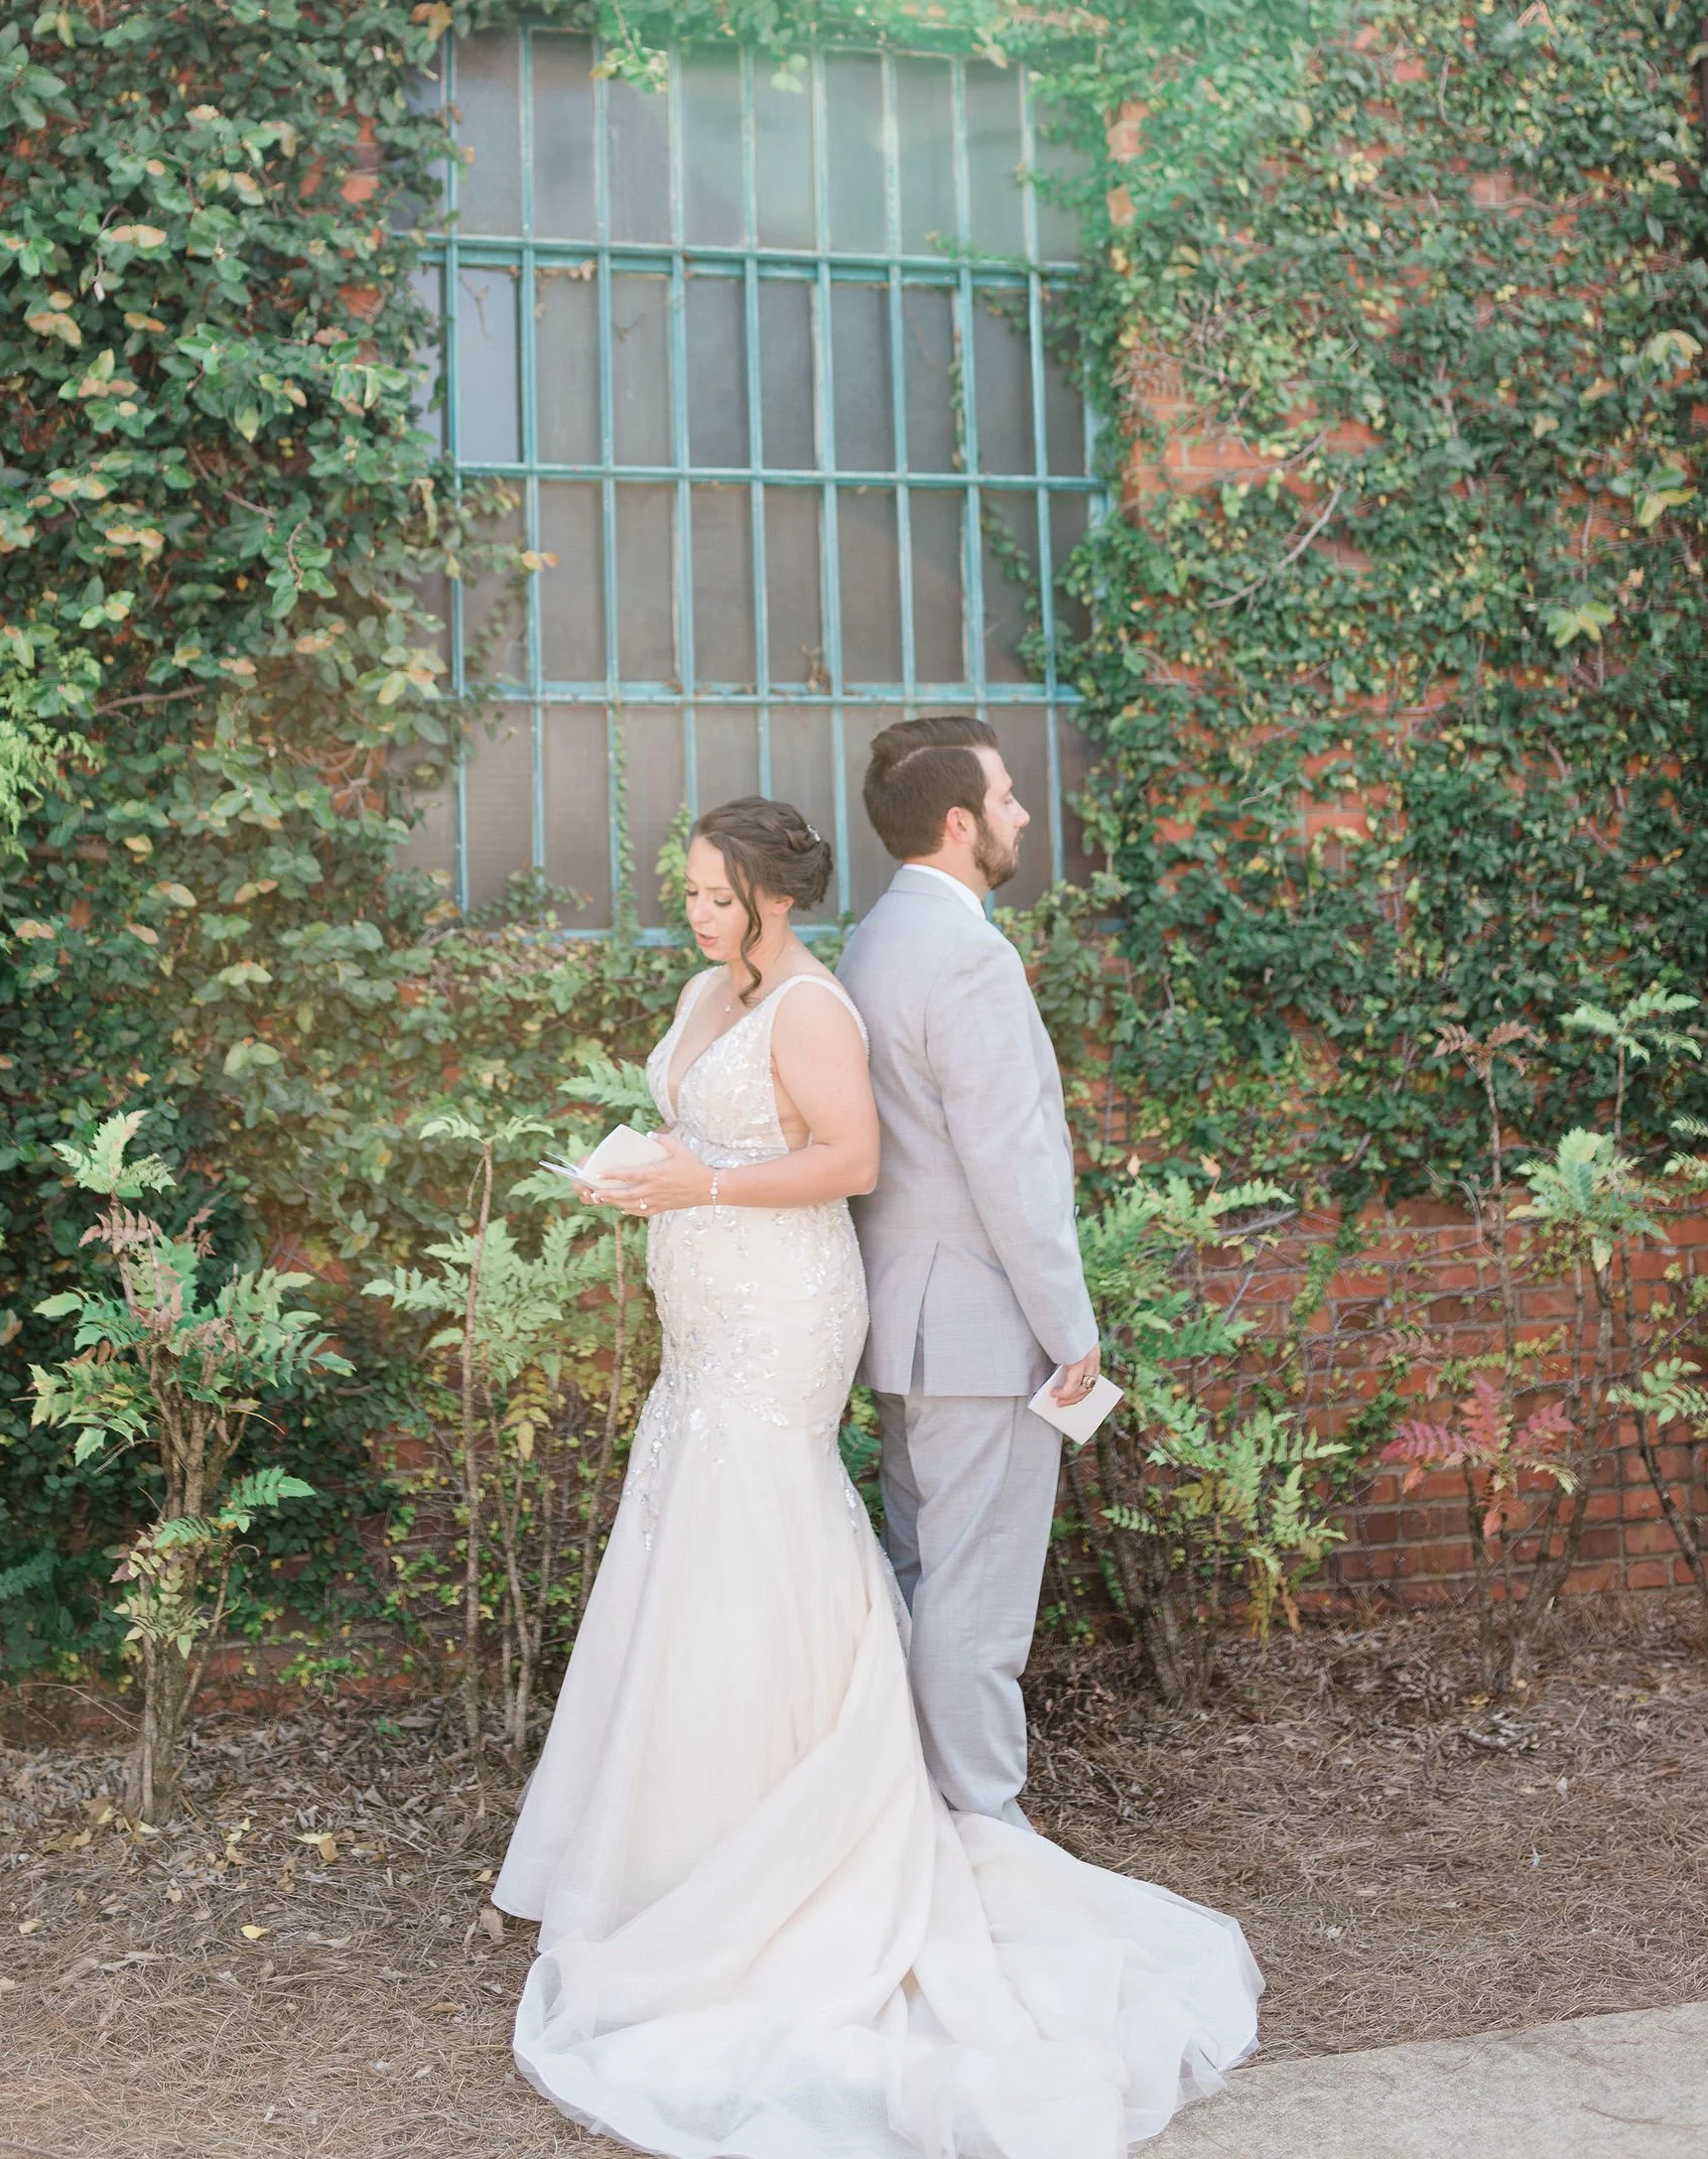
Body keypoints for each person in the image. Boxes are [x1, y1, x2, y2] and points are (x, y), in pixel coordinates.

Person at [494, 792, 1258, 2159]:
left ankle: (803, 1848)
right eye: (692, 893)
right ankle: (675, 1846)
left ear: (775, 899)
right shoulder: (701, 991)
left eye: (717, 896)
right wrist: (651, 1170)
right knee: (689, 1548)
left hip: (784, 1312)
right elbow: (715, 1132)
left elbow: (850, 1160)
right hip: (703, 1315)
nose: (697, 912)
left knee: (763, 1527)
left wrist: (700, 1190)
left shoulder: (818, 1006)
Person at [838, 714, 1098, 1833]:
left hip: (902, 1326)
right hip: (985, 1334)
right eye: (1005, 797)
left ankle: (917, 1821)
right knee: (977, 1605)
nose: (1022, 813)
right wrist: (1070, 1329)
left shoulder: (871, 940)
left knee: (921, 1576)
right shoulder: (969, 957)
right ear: (959, 822)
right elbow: (1013, 1170)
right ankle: (984, 1830)